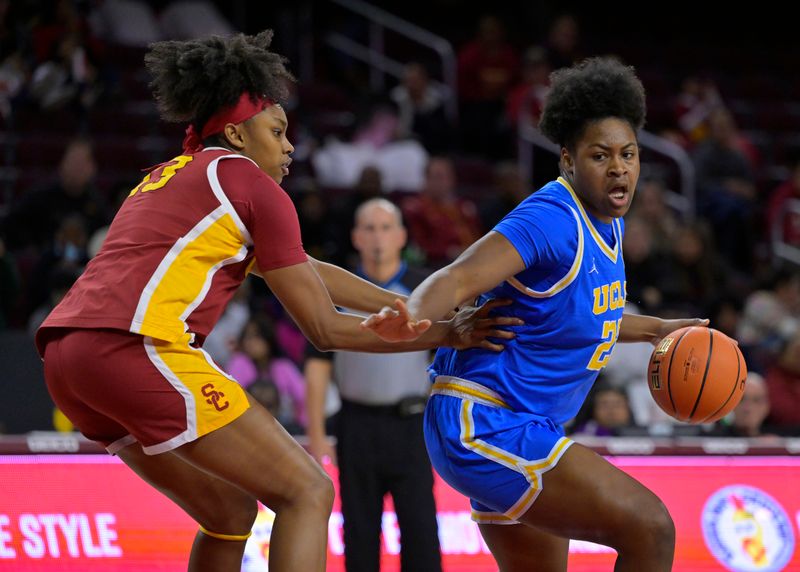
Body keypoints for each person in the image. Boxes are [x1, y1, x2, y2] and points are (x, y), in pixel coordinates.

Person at [33, 31, 521, 572]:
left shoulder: (171, 177)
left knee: (229, 513)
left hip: (66, 358)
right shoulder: (252, 184)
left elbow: (307, 270)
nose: (290, 146)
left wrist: (413, 305)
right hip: (132, 348)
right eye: (278, 130)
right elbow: (325, 330)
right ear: (239, 134)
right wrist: (446, 333)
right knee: (307, 490)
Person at [363, 56, 708, 571]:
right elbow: (458, 277)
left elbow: (582, 319)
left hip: (526, 424)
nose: (619, 168)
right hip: (483, 423)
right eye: (600, 155)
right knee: (650, 526)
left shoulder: (606, 219)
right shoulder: (551, 218)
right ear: (568, 160)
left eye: (629, 154)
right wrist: (411, 313)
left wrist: (657, 328)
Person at [305, 198, 441, 572]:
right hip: (356, 425)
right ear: (355, 237)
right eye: (369, 228)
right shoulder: (337, 289)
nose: (377, 236)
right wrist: (317, 435)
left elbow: (447, 360)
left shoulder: (425, 289)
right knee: (359, 531)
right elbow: (316, 365)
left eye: (385, 227)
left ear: (401, 236)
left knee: (421, 528)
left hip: (412, 425)